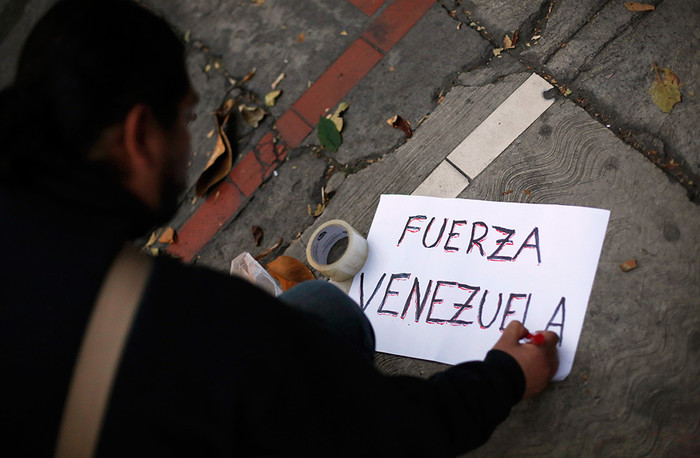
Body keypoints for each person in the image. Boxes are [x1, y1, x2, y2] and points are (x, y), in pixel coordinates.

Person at [0, 0, 559, 456]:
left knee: (322, 308)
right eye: (187, 119)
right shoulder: (192, 328)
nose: (191, 145)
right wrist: (504, 378)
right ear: (140, 135)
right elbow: (388, 434)